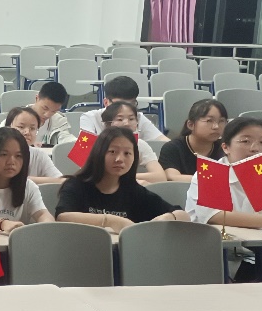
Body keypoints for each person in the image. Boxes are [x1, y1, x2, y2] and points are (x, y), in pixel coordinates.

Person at [185, 118, 262, 267]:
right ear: (226, 147)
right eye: (245, 141)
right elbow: (215, 217)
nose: (255, 148)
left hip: (257, 255)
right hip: (210, 255)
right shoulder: (211, 173)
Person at [56, 127, 188, 231]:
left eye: (127, 153)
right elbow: (63, 217)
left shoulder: (135, 192)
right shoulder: (76, 185)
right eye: (112, 152)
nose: (119, 159)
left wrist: (168, 217)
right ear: (99, 153)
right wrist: (111, 221)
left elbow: (183, 215)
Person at [96, 101, 167, 183]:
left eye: (131, 119)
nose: (126, 123)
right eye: (120, 119)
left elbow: (160, 176)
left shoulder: (140, 144)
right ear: (107, 124)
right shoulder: (98, 144)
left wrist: (127, 178)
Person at [78, 76, 165, 141]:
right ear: (106, 103)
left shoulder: (137, 117)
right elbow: (83, 151)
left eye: (131, 104)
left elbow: (161, 140)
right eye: (119, 104)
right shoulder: (90, 118)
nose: (125, 109)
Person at [160, 98, 227, 182]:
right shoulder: (173, 148)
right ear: (191, 125)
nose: (216, 126)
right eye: (209, 121)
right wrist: (212, 180)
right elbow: (172, 177)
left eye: (221, 121)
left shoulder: (226, 147)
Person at [4, 106, 64, 184]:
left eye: (32, 128)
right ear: (8, 128)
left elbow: (60, 180)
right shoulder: (0, 154)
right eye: (21, 127)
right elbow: (11, 180)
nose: (27, 132)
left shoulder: (39, 155)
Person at [33, 81, 71, 146]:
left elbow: (65, 137)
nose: (47, 115)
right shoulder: (20, 118)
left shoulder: (59, 120)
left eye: (54, 111)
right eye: (45, 108)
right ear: (37, 98)